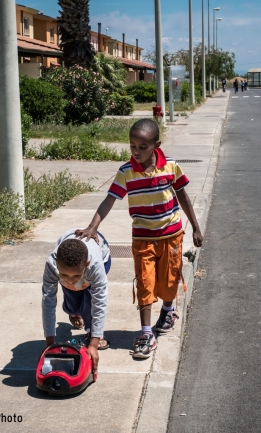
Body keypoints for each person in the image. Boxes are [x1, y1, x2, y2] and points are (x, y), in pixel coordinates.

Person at [76, 119, 203, 360]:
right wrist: (93, 226)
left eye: (143, 146)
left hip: (172, 236)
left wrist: (195, 227)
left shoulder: (171, 167)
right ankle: (146, 334)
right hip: (143, 239)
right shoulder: (127, 172)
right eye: (132, 145)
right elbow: (109, 200)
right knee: (145, 283)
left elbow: (184, 197)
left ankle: (168, 310)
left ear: (156, 145)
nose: (136, 151)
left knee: (168, 281)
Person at [42, 229, 112, 381]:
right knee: (74, 298)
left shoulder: (94, 265)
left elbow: (100, 303)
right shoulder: (51, 265)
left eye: (75, 275)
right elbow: (48, 301)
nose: (71, 279)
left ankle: (90, 330)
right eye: (64, 275)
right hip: (72, 263)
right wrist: (50, 344)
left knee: (88, 298)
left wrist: (94, 343)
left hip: (102, 256)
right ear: (56, 265)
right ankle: (73, 311)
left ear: (86, 264)